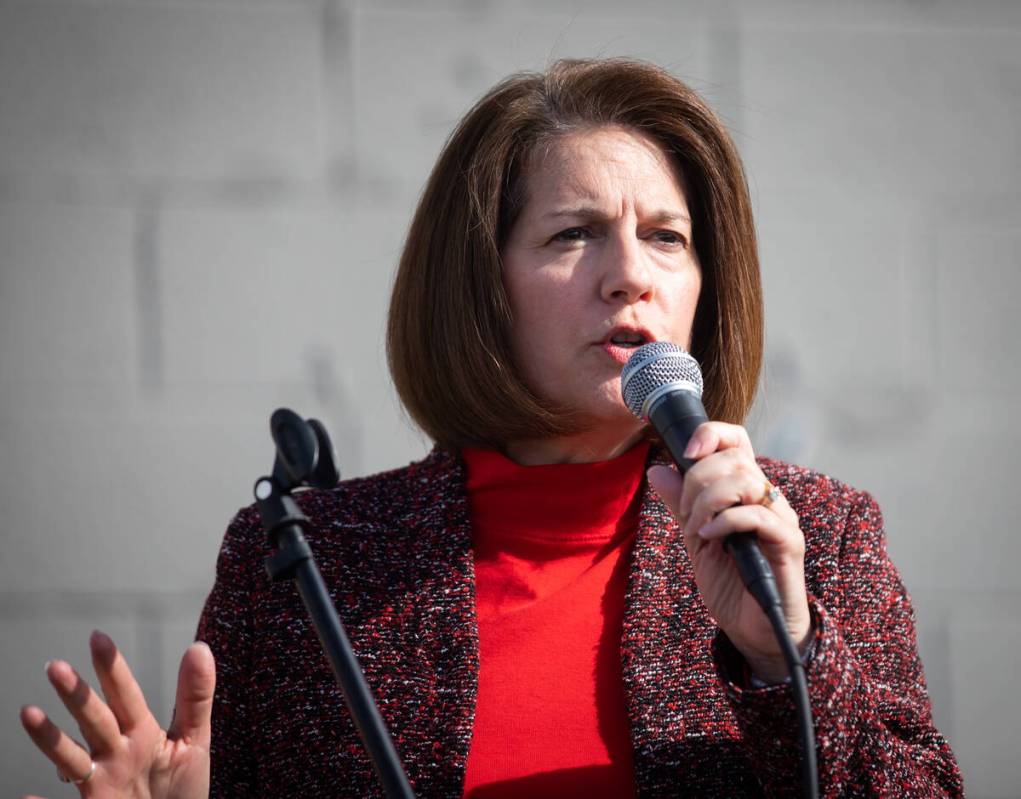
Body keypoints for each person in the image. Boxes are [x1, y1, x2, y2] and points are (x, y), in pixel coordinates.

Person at [19, 58, 963, 798]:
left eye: (666, 237)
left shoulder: (815, 537)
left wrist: (781, 649)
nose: (630, 273)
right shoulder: (310, 566)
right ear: (480, 287)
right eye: (570, 234)